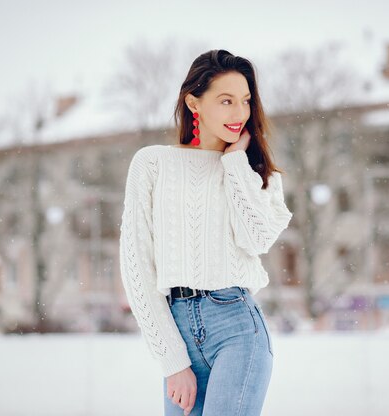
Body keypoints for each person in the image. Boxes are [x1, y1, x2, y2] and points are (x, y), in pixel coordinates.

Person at [119, 49, 293, 416]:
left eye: (245, 101)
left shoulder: (258, 176)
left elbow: (257, 239)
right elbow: (137, 269)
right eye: (226, 101)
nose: (239, 113)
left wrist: (234, 164)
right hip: (177, 325)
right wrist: (173, 362)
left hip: (238, 327)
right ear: (193, 103)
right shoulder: (152, 164)